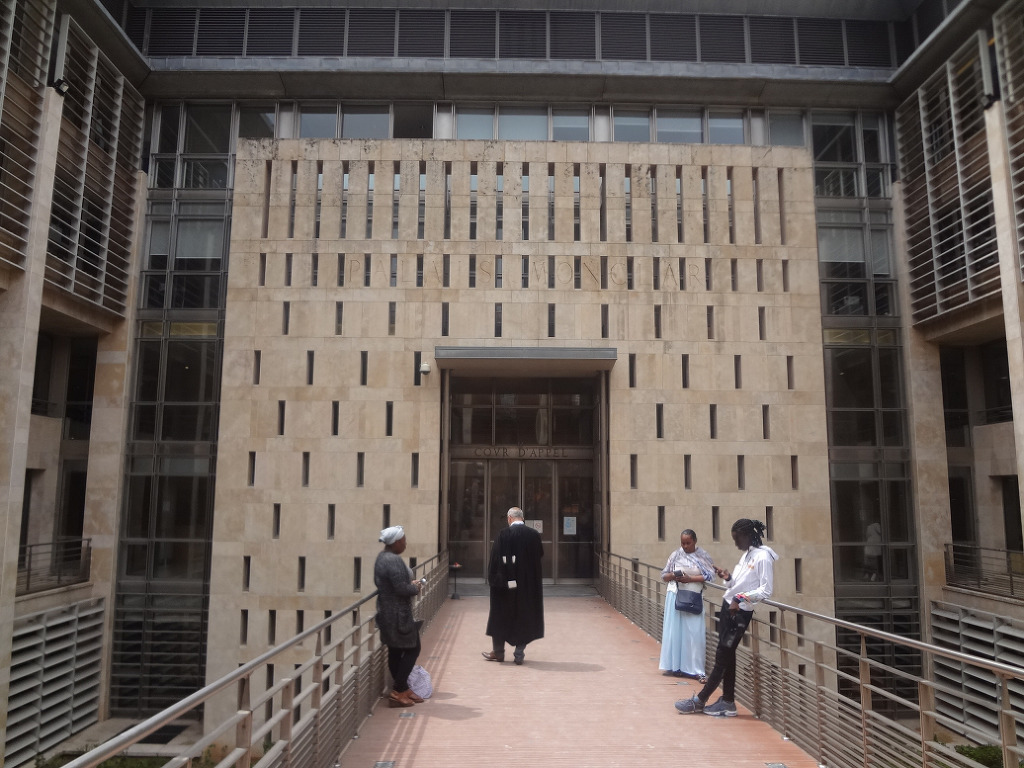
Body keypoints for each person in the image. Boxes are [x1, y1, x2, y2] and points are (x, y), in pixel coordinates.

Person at [675, 518, 778, 717]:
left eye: (737, 538)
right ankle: (728, 702)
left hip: (739, 613)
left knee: (722, 657)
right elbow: (739, 584)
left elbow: (766, 590)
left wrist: (740, 599)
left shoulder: (763, 557)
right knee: (727, 657)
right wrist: (728, 578)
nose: (735, 543)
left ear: (747, 536)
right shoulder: (748, 554)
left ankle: (699, 701)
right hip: (729, 608)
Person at [482, 506, 544, 665]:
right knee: (524, 616)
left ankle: (498, 652)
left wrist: (494, 580)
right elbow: (539, 556)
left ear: (509, 518)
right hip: (527, 586)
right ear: (522, 518)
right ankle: (519, 653)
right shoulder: (534, 535)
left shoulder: (503, 534)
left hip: (505, 585)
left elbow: (495, 559)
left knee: (499, 616)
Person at [374, 525, 425, 708]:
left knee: (395, 651)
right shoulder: (393, 560)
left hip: (388, 614)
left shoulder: (382, 557)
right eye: (403, 541)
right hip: (398, 617)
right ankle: (398, 690)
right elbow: (401, 588)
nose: (405, 544)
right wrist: (415, 587)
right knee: (413, 649)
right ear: (395, 542)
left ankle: (402, 689)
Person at [659, 529, 716, 681]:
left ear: (695, 541)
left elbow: (710, 575)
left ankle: (697, 670)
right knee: (675, 633)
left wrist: (690, 579)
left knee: (695, 634)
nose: (685, 546)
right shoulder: (675, 555)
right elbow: (664, 575)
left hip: (693, 597)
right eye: (683, 543)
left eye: (688, 543)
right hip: (675, 595)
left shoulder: (702, 555)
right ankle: (676, 667)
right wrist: (674, 575)